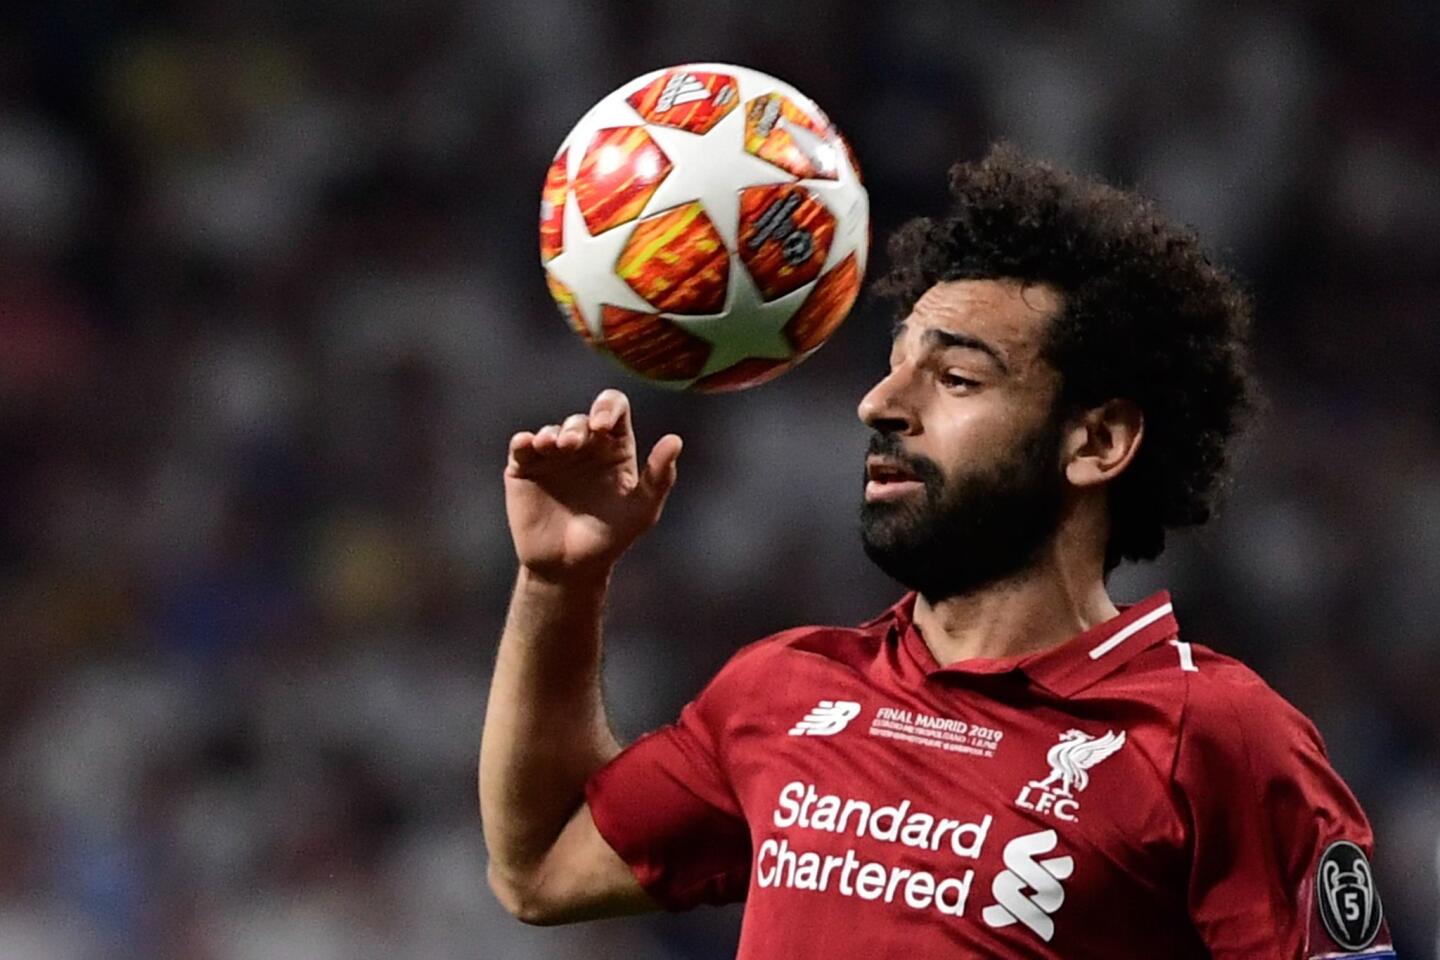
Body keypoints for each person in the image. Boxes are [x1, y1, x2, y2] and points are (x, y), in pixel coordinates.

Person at [479, 145, 1394, 958]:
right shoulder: (785, 691)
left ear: (1097, 443)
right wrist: (562, 578)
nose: (880, 403)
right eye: (896, 362)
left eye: (956, 377)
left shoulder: (1214, 738)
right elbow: (541, 869)